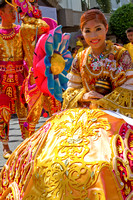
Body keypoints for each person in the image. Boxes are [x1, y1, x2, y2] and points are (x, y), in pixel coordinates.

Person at [0, 9, 133, 200]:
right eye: (87, 31)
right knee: (44, 154)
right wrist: (84, 96)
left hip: (115, 114)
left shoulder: (121, 55)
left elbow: (129, 88)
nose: (93, 36)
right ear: (82, 33)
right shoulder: (80, 57)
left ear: (106, 28)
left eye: (98, 29)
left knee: (107, 159)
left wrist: (104, 100)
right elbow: (70, 89)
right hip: (82, 115)